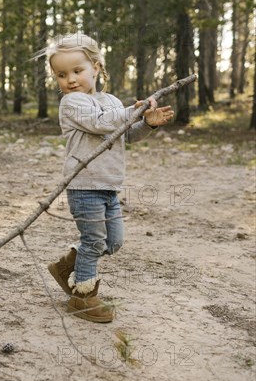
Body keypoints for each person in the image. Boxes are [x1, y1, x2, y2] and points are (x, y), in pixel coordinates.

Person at [45, 34, 174, 323]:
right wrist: (135, 110)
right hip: (84, 186)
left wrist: (146, 124)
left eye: (77, 71)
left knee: (112, 243)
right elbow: (101, 123)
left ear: (96, 67)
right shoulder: (72, 103)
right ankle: (83, 296)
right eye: (62, 75)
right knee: (93, 241)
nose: (71, 79)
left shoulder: (111, 101)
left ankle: (66, 266)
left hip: (108, 186)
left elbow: (125, 134)